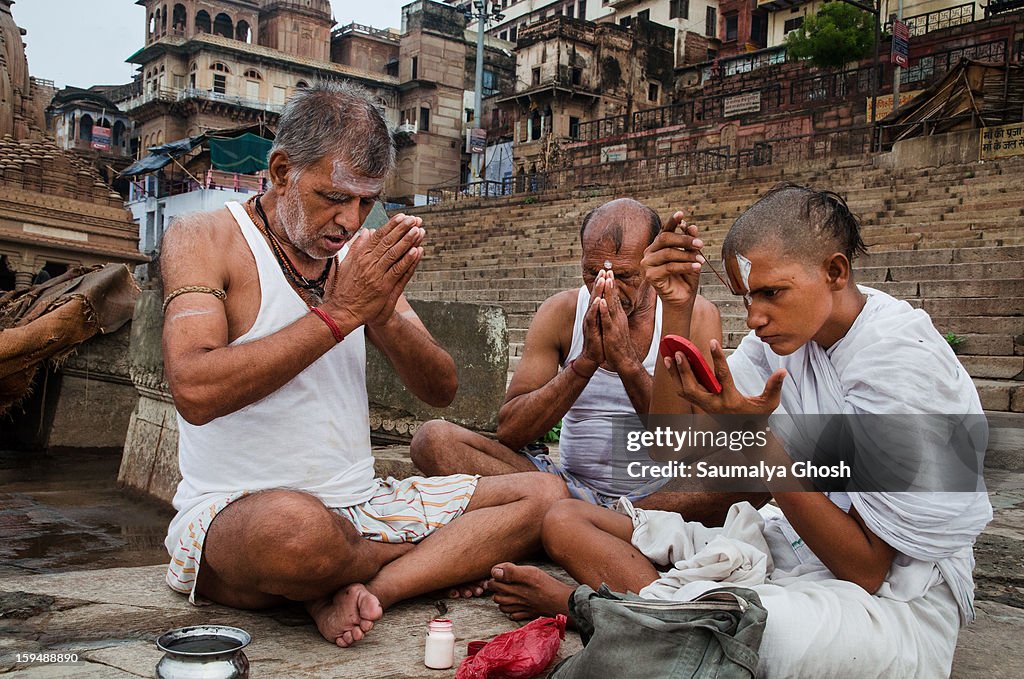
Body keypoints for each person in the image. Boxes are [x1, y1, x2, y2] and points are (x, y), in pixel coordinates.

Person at [485, 185, 992, 677]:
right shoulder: (783, 338)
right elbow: (674, 447)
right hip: (796, 546)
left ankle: (594, 609)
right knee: (567, 520)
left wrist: (756, 437)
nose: (754, 318)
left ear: (835, 271)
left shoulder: (901, 361)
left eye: (771, 293)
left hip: (898, 600)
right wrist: (677, 309)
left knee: (757, 632)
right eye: (747, 297)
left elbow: (866, 569)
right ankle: (658, 613)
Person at [158, 81, 568, 648]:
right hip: (238, 511)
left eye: (367, 202)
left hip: (363, 506)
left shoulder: (360, 256)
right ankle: (417, 563)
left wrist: (383, 314)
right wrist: (341, 313)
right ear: (281, 172)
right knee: (294, 532)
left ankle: (372, 587)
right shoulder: (202, 238)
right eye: (334, 197)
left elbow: (440, 388)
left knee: (543, 495)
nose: (350, 221)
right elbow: (194, 389)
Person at [411, 198, 754, 523]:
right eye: (592, 272)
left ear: (651, 267)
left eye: (625, 276)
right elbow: (511, 432)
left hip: (658, 496)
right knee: (434, 440)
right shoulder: (561, 312)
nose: (606, 287)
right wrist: (586, 362)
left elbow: (684, 448)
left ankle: (600, 521)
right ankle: (581, 520)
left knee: (753, 465)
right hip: (562, 486)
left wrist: (626, 362)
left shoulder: (695, 315)